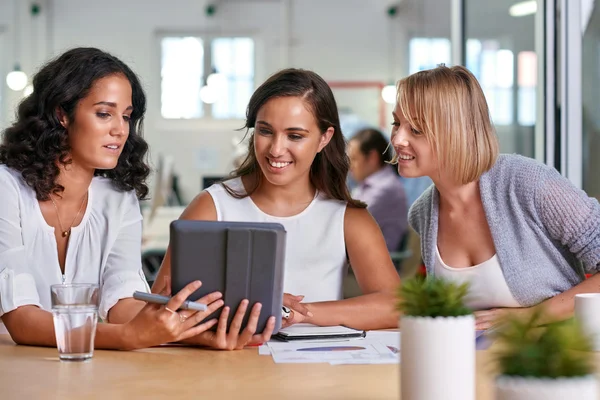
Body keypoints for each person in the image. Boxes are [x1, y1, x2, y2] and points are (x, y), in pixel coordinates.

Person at [0, 47, 228, 350]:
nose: (120, 130)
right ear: (62, 114)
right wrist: (127, 337)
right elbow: (22, 321)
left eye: (126, 116)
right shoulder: (6, 188)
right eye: (104, 114)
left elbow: (122, 302)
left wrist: (190, 330)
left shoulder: (119, 198)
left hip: (76, 371)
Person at [153, 68, 401, 337]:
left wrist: (296, 313)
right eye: (265, 131)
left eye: (295, 136)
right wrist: (257, 305)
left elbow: (396, 306)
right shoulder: (211, 206)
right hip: (224, 370)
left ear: (324, 138)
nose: (276, 149)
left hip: (318, 373)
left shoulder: (348, 218)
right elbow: (158, 310)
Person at [391, 65, 600, 330]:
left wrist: (528, 317)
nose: (397, 139)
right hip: (476, 359)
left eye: (416, 130)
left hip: (555, 357)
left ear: (456, 131)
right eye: (396, 123)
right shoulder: (422, 213)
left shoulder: (529, 184)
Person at [348, 128, 408, 252]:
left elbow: (349, 224)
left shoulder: (386, 189)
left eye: (354, 159)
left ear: (372, 158)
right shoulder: (365, 186)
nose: (350, 167)